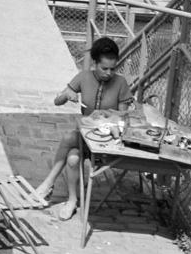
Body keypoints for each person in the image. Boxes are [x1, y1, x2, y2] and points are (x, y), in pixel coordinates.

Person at [33, 36, 135, 220]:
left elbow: (124, 115)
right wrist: (68, 93)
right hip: (86, 136)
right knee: (72, 158)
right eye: (104, 68)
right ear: (95, 63)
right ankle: (72, 200)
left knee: (68, 141)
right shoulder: (84, 77)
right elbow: (57, 101)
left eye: (113, 69)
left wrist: (107, 113)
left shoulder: (120, 83)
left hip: (107, 139)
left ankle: (49, 183)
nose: (109, 73)